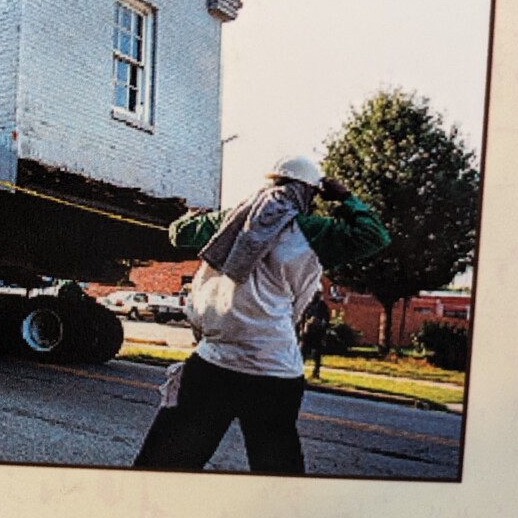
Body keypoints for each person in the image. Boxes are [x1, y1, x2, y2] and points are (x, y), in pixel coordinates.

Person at [133, 155, 389, 474]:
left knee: (164, 464)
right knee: (278, 472)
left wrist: (192, 214)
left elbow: (178, 233)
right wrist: (345, 197)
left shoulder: (230, 220)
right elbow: (374, 235)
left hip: (215, 362)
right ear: (309, 194)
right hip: (275, 369)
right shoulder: (313, 231)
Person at [299, 291, 331, 379]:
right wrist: (302, 329)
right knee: (303, 352)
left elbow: (327, 319)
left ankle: (316, 372)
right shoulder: (308, 304)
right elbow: (302, 317)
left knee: (317, 353)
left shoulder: (322, 306)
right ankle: (299, 371)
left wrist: (324, 331)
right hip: (308, 332)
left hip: (318, 332)